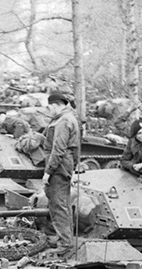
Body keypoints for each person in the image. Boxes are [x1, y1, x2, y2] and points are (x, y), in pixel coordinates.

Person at [42, 91, 81, 256]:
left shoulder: (63, 121)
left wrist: (48, 172)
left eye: (50, 107)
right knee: (62, 204)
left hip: (58, 167)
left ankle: (65, 244)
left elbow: (58, 149)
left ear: (55, 105)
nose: (49, 110)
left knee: (58, 205)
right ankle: (66, 240)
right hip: (65, 165)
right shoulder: (69, 118)